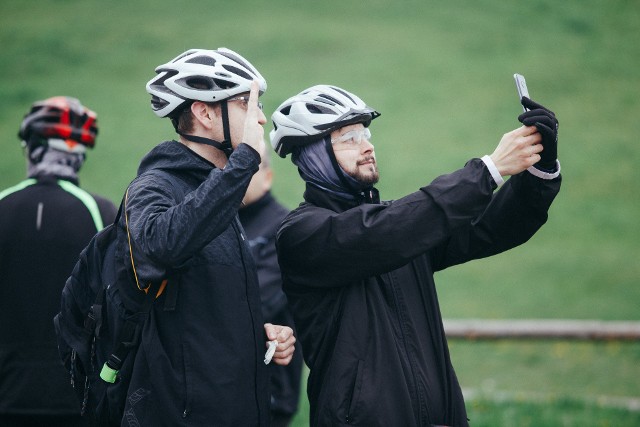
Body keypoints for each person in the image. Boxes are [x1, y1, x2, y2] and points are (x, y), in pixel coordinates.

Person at [270, 84, 561, 427]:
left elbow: (489, 228)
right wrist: (489, 169)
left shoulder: (399, 226)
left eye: (366, 133)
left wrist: (540, 168)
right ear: (314, 154)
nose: (367, 146)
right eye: (349, 138)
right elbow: (382, 233)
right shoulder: (303, 235)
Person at [115, 48, 296, 426]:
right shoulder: (154, 186)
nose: (261, 118)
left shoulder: (217, 198)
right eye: (248, 105)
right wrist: (244, 157)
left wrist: (257, 334)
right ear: (205, 112)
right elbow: (159, 248)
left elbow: (195, 312)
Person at [0, 96, 118, 427]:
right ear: (78, 155)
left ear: (33, 148)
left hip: (6, 394)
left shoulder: (3, 205)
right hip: (76, 395)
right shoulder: (100, 212)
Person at [239, 146, 304, 427]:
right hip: (220, 388)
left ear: (267, 176)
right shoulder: (216, 226)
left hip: (269, 390)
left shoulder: (284, 229)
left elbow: (256, 302)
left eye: (248, 167)